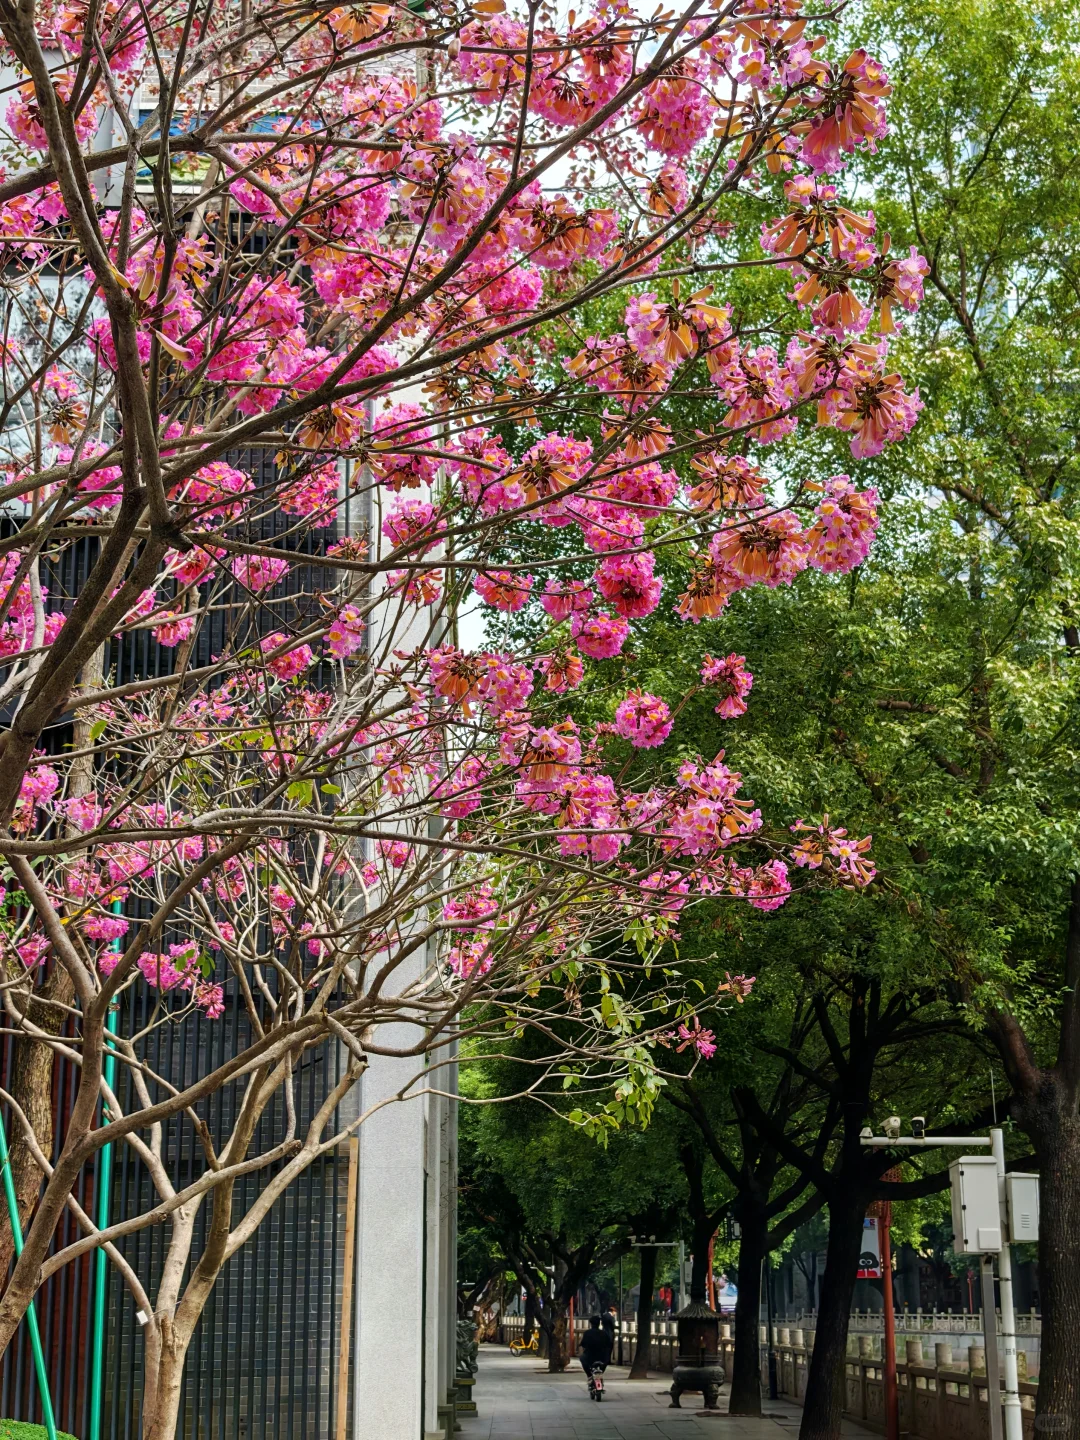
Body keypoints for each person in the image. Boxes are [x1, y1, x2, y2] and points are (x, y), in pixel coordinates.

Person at [579, 1314, 613, 1381]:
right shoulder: (604, 1333)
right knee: (605, 1362)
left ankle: (589, 1375)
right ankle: (601, 1373)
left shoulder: (587, 1333)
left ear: (591, 1323)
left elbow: (583, 1344)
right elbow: (609, 1344)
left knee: (582, 1358)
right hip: (602, 1356)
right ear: (599, 1323)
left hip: (590, 1356)